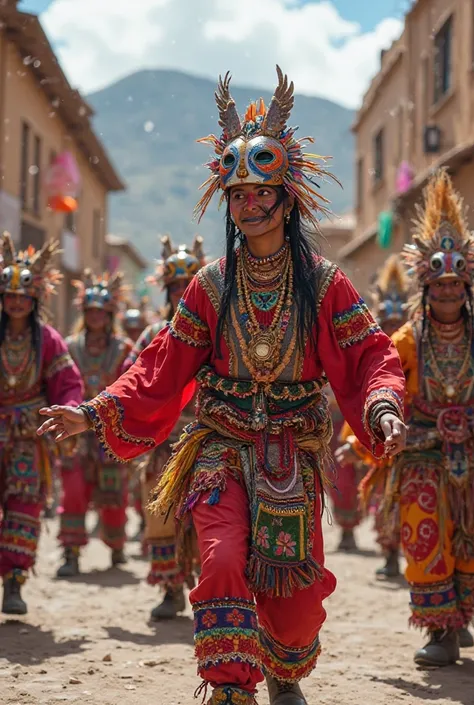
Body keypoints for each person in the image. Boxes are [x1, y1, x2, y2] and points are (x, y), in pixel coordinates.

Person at [38, 67, 406, 705]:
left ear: (286, 199)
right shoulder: (210, 285)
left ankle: (284, 665)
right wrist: (94, 412)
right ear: (226, 203)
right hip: (218, 445)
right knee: (221, 559)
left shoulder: (325, 283)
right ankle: (229, 685)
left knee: (292, 605)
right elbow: (161, 365)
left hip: (291, 448)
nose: (248, 204)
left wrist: (381, 406)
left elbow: (371, 353)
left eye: (262, 191)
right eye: (237, 194)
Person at [383, 170, 474, 666]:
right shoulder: (407, 340)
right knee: (424, 536)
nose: (446, 292)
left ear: (466, 285)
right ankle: (441, 631)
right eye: (437, 284)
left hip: (472, 454)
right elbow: (386, 385)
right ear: (425, 286)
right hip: (423, 455)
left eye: (454, 284)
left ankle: (463, 616)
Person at [0, 233, 83, 614]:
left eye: (23, 296)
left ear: (34, 299)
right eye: (10, 295)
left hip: (27, 438)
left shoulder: (47, 340)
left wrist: (66, 411)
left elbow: (68, 383)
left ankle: (15, 583)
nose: (16, 302)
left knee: (25, 506)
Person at [123, 234, 204, 620]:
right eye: (174, 288)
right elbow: (133, 378)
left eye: (186, 287)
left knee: (209, 519)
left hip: (208, 442)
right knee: (161, 516)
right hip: (162, 446)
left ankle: (213, 593)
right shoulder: (151, 334)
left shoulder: (218, 331)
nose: (179, 294)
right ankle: (171, 590)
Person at [335, 255, 410, 575]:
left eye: (398, 323)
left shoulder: (415, 342)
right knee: (380, 497)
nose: (393, 330)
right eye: (387, 324)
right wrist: (356, 440)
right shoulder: (372, 350)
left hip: (421, 436)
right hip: (372, 428)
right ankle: (389, 552)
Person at [56, 269, 133, 577]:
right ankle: (71, 552)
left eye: (101, 311)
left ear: (110, 313)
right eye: (91, 311)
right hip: (76, 434)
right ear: (84, 313)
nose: (96, 317)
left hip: (109, 433)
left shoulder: (124, 349)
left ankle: (116, 546)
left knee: (114, 496)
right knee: (73, 491)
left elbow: (130, 386)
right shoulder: (70, 346)